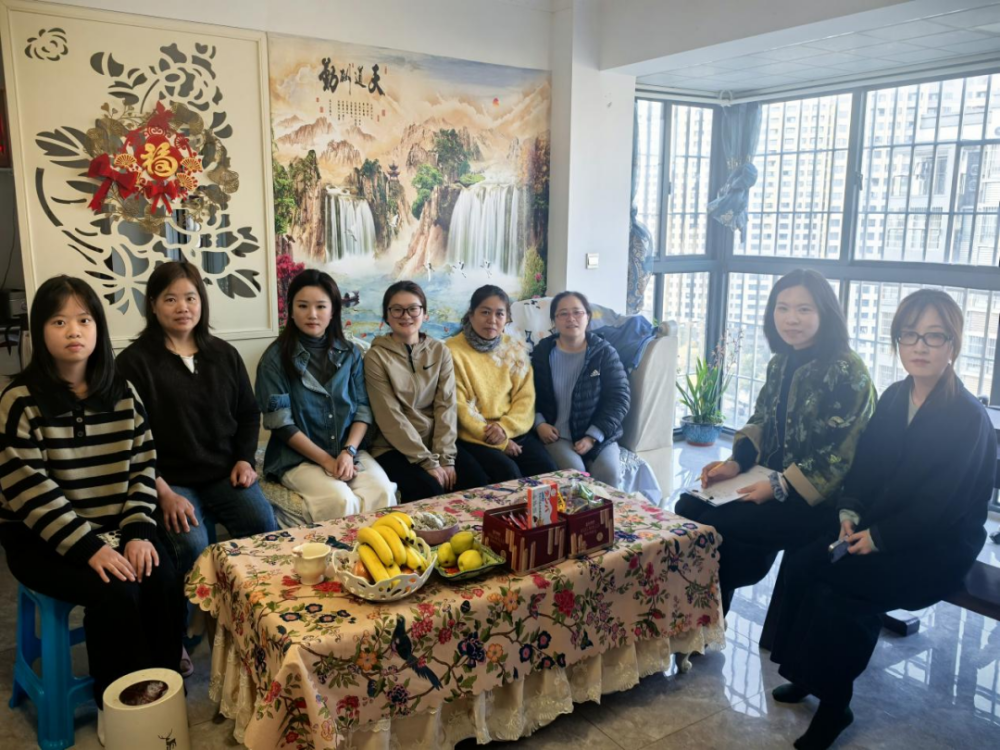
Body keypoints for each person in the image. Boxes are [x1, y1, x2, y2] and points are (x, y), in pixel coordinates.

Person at [768, 289, 996, 750]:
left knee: (843, 592)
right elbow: (865, 465)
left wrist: (880, 537)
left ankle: (836, 706)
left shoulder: (968, 418)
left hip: (935, 546)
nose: (920, 346)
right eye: (910, 335)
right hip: (880, 525)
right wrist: (850, 511)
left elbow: (943, 505)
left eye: (934, 336)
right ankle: (807, 675)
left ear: (953, 345)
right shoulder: (895, 397)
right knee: (803, 564)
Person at [0, 276, 184, 734]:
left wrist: (138, 532)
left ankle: (162, 692)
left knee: (162, 577)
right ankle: (119, 705)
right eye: (58, 321)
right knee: (115, 590)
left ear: (98, 327)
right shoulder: (19, 401)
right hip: (40, 539)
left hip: (116, 526)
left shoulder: (123, 392)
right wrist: (90, 548)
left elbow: (143, 466)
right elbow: (30, 491)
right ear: (39, 331)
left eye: (84, 320)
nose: (73, 331)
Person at [675, 269, 875, 614]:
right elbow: (761, 420)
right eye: (782, 308)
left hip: (816, 498)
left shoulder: (847, 371)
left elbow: (841, 454)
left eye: (803, 309)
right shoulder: (781, 362)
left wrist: (780, 486)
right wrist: (735, 463)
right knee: (688, 508)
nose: (791, 319)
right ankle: (696, 614)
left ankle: (705, 617)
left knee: (723, 528)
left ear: (825, 313)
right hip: (768, 478)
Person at [116, 261, 277, 577]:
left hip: (225, 473)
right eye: (170, 299)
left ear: (201, 301)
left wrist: (245, 460)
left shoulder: (224, 354)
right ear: (153, 305)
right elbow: (129, 441)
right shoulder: (133, 363)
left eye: (191, 298)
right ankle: (192, 610)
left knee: (262, 524)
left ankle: (252, 601)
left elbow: (248, 413)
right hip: (169, 481)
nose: (183, 308)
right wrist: (163, 493)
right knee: (192, 545)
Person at [256, 269, 396, 521]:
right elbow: (282, 424)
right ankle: (335, 548)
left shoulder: (350, 354)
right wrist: (327, 462)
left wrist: (348, 452)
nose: (312, 314)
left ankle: (378, 548)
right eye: (303, 306)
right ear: (291, 310)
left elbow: (363, 409)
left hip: (347, 450)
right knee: (340, 499)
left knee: (383, 491)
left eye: (321, 306)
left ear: (333, 312)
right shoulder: (274, 360)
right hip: (297, 458)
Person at [364, 281, 490, 501]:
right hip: (393, 448)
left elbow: (446, 406)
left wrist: (446, 458)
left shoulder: (440, 351)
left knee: (478, 483)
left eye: (413, 308)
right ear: (387, 316)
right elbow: (390, 416)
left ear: (424, 313)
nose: (406, 316)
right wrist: (426, 462)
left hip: (435, 443)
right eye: (397, 309)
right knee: (430, 490)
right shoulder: (376, 357)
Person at [446, 285, 557, 483]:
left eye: (499, 314)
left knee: (548, 472)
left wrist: (505, 429)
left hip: (513, 429)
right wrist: (500, 441)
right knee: (508, 473)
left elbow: (526, 399)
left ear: (507, 319)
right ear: (471, 315)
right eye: (485, 312)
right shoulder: (451, 351)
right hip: (476, 436)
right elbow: (459, 406)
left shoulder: (514, 347)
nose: (492, 320)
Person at [532, 290, 630, 487]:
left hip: (598, 434)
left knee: (608, 474)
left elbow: (620, 398)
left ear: (588, 317)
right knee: (576, 479)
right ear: (554, 321)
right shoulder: (543, 352)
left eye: (577, 312)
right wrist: (539, 423)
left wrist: (593, 436)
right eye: (563, 314)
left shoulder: (604, 353)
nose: (571, 319)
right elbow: (527, 393)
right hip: (557, 435)